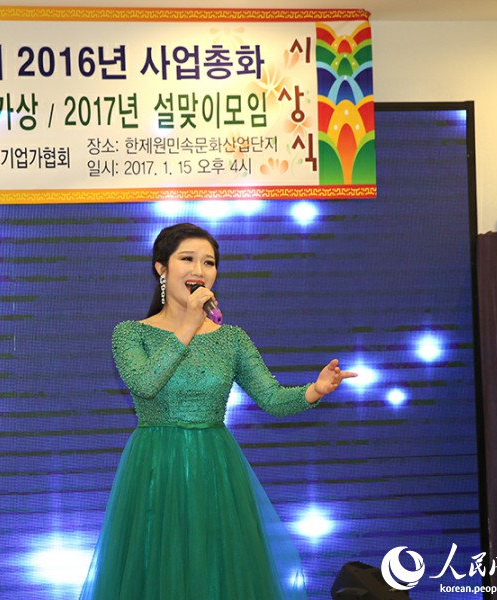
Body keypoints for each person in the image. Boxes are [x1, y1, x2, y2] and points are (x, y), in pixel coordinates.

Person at [78, 223, 356, 600]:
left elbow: (272, 398)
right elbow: (145, 383)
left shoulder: (232, 339)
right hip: (155, 469)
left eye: (208, 262)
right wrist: (189, 324)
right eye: (187, 259)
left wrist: (315, 390)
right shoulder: (130, 333)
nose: (199, 270)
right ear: (161, 268)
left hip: (215, 468)